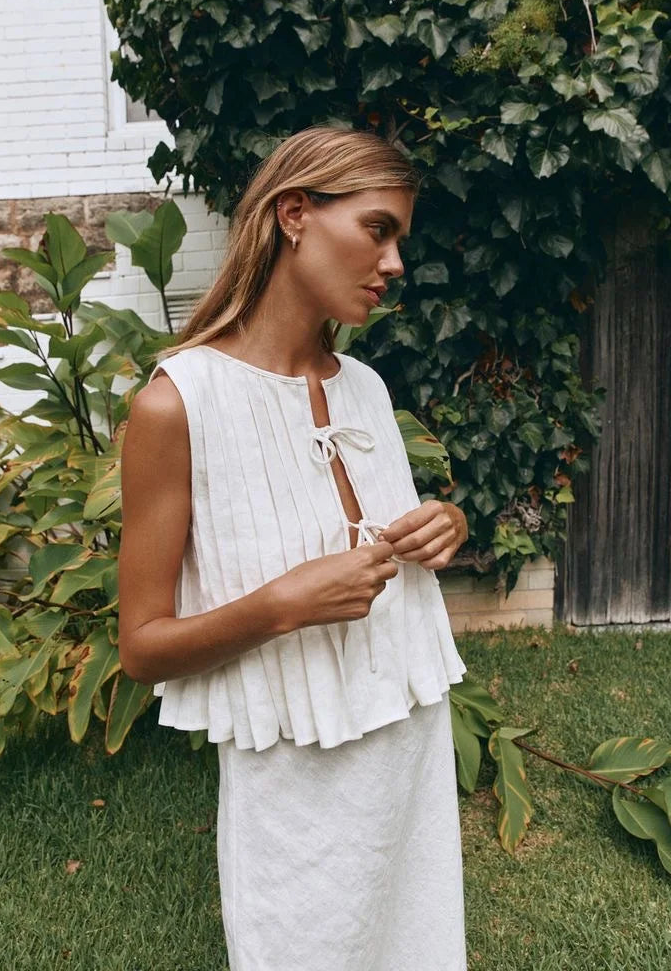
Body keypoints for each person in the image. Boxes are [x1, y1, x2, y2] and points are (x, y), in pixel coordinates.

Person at [118, 125, 470, 970]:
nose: (394, 264)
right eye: (378, 230)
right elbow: (141, 648)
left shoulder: (367, 389)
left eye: (399, 241)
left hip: (411, 738)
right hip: (293, 775)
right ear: (294, 214)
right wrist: (282, 605)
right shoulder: (177, 404)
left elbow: (379, 545)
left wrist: (443, 526)